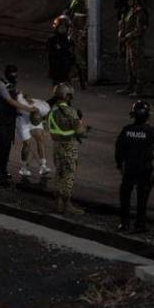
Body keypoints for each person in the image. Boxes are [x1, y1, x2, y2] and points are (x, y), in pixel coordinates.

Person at [115, 100, 154, 233]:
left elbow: (119, 149)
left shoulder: (126, 130)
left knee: (125, 196)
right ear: (148, 116)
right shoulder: (152, 131)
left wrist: (119, 164)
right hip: (145, 168)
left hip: (129, 168)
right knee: (142, 197)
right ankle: (140, 224)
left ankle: (124, 223)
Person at [47, 82, 88, 215]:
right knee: (68, 176)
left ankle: (57, 203)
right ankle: (67, 204)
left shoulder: (52, 111)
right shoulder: (70, 112)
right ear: (68, 96)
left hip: (57, 145)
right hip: (69, 147)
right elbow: (81, 132)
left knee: (59, 174)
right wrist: (83, 126)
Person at [0, 65, 27, 183]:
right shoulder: (0, 85)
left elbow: (14, 95)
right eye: (12, 74)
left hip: (9, 118)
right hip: (1, 118)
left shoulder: (10, 83)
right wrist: (27, 108)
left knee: (7, 145)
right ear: (7, 74)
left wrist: (21, 96)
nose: (14, 76)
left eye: (16, 74)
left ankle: (3, 169)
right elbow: (9, 100)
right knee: (4, 144)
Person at [15, 90, 50, 180]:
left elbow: (47, 117)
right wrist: (21, 95)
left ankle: (43, 165)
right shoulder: (21, 106)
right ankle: (23, 167)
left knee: (40, 139)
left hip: (36, 116)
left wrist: (40, 123)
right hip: (23, 120)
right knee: (27, 143)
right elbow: (19, 93)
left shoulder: (44, 108)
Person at [118, 0, 147, 95]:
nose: (128, 0)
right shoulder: (130, 10)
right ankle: (130, 86)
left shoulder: (140, 11)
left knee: (136, 65)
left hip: (136, 42)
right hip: (129, 41)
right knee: (129, 65)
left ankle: (139, 89)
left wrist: (128, 35)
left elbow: (139, 29)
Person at [64, 0, 90, 89]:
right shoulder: (74, 0)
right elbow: (69, 11)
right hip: (73, 29)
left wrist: (84, 30)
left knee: (80, 53)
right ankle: (75, 73)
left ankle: (84, 76)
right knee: (72, 52)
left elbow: (88, 16)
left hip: (80, 30)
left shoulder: (86, 1)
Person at [46, 16, 76, 86]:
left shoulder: (69, 41)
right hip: (56, 66)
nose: (62, 29)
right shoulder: (52, 40)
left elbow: (72, 54)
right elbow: (51, 52)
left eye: (64, 28)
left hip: (66, 68)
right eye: (61, 27)